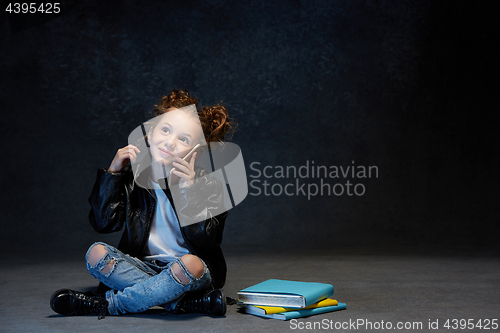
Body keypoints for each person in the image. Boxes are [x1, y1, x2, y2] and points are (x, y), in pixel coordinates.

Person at [50, 89, 234, 319]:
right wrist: (113, 173)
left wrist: (189, 190)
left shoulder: (209, 184)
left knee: (191, 263)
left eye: (183, 139)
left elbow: (207, 240)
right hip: (140, 266)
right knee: (96, 253)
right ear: (150, 131)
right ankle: (182, 303)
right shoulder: (132, 178)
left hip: (189, 270)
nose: (170, 142)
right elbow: (103, 223)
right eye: (165, 130)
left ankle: (107, 305)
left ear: (196, 151)